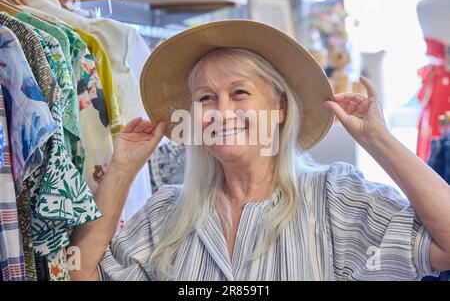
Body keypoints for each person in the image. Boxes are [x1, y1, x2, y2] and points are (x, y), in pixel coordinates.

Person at [69, 20, 450, 281]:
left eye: (239, 93)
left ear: (280, 107)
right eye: (205, 98)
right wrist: (121, 169)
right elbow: (77, 272)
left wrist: (377, 140)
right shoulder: (165, 214)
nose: (221, 112)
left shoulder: (334, 199)